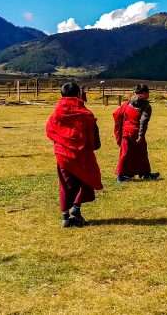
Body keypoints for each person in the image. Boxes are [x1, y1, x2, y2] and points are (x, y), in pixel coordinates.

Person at [46, 81, 103, 228]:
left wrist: (60, 142)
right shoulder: (85, 114)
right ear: (78, 94)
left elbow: (50, 131)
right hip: (82, 154)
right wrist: (94, 146)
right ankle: (76, 209)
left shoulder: (57, 113)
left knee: (66, 185)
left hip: (62, 155)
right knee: (87, 179)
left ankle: (66, 216)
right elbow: (92, 135)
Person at [113, 84, 160, 182]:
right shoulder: (146, 106)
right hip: (136, 132)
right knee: (141, 153)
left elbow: (117, 114)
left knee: (126, 153)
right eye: (147, 93)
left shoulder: (127, 103)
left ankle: (136, 174)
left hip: (126, 132)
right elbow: (143, 122)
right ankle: (123, 175)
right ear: (143, 93)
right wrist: (140, 135)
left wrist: (121, 130)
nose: (148, 95)